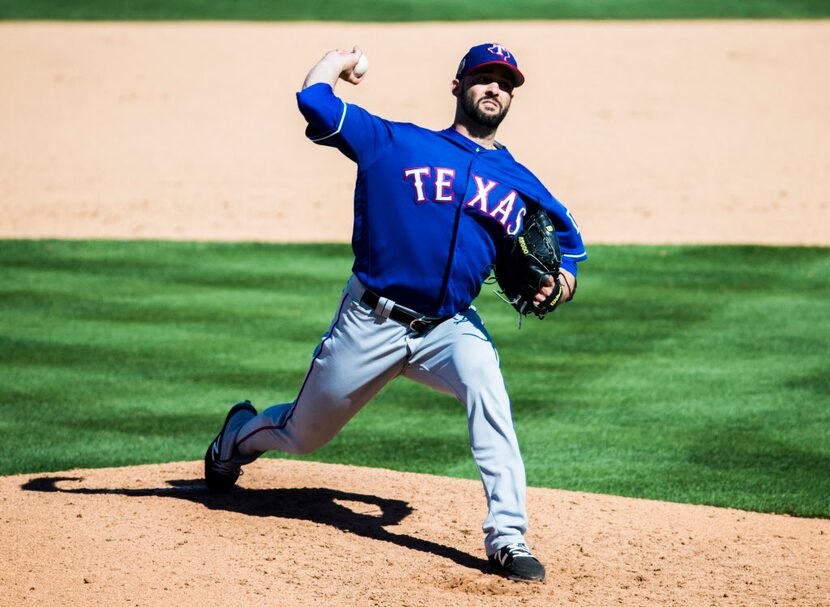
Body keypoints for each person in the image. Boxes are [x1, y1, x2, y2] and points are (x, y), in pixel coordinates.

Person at [204, 42, 586, 583]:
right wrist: (338, 61)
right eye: (483, 77)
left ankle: (508, 536)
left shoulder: (519, 180)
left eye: (506, 82)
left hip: (449, 329)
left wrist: (563, 285)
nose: (494, 88)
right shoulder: (396, 143)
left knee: (489, 390)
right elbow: (315, 102)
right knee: (302, 434)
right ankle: (233, 439)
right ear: (458, 86)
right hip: (370, 323)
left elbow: (570, 247)